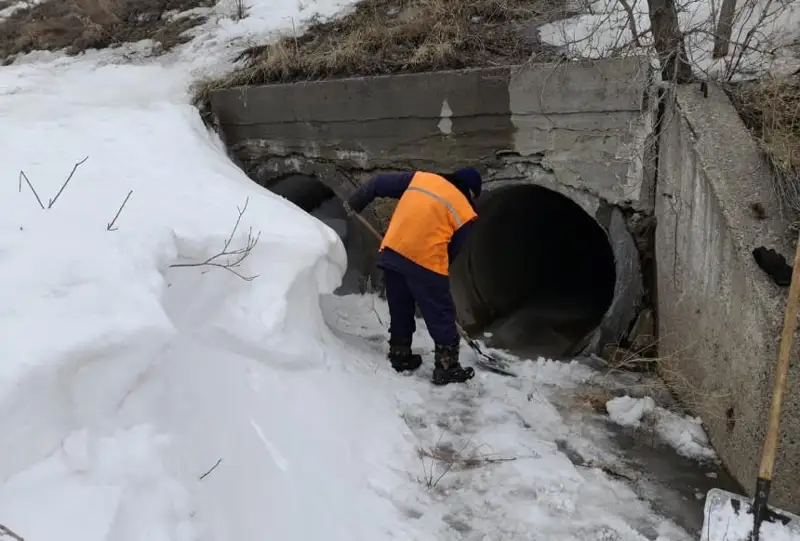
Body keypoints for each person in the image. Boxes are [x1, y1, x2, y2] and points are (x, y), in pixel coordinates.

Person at [343, 168, 482, 385]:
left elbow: (379, 183)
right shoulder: (465, 210)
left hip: (394, 252)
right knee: (441, 313)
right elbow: (454, 249)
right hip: (426, 262)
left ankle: (400, 354)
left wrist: (355, 202)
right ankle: (447, 367)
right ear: (471, 192)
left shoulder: (420, 179)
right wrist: (436, 277)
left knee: (401, 305)